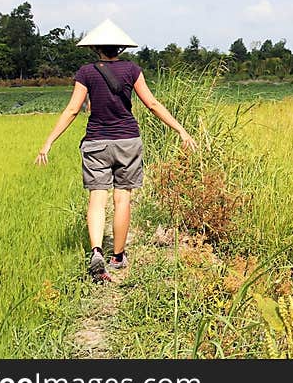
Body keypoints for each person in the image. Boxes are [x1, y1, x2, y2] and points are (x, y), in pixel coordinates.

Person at [34, 18, 197, 283]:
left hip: (96, 142)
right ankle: (118, 256)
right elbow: (152, 104)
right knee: (123, 199)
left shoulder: (86, 72)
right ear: (120, 48)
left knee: (97, 199)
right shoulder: (132, 70)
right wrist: (180, 129)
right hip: (128, 142)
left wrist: (49, 141)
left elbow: (73, 109)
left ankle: (96, 250)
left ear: (96, 48)